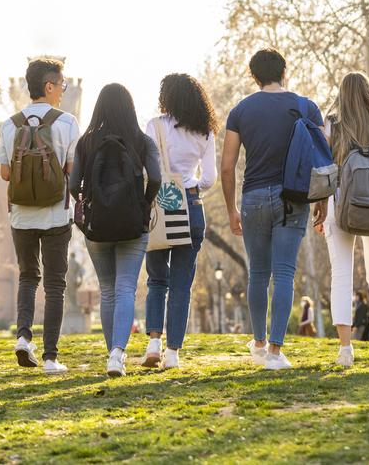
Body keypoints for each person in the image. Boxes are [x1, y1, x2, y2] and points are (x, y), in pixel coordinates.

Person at [220, 48, 326, 371]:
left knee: (258, 274)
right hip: (292, 197)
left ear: (254, 76)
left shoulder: (240, 111)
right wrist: (322, 200)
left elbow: (226, 167)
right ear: (285, 71)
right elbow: (322, 158)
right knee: (283, 273)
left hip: (252, 197)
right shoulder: (306, 107)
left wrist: (231, 209)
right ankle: (276, 353)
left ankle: (258, 342)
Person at [69, 83, 160, 377]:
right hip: (134, 224)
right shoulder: (142, 141)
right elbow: (156, 179)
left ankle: (113, 354)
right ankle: (117, 355)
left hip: (97, 227)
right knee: (125, 289)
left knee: (107, 289)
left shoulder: (86, 142)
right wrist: (143, 205)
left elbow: (72, 186)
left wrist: (86, 206)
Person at [0, 58, 80, 374]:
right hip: (56, 215)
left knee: (28, 276)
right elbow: (72, 168)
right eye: (62, 85)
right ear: (48, 86)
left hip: (21, 216)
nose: (63, 90)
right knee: (56, 284)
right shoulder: (67, 123)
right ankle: (50, 358)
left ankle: (23, 336)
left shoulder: (9, 124)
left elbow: (5, 172)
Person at [320, 71, 369, 367]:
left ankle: (345, 349)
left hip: (340, 205)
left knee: (341, 275)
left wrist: (320, 209)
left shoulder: (332, 124)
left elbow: (325, 170)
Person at [142, 73, 218, 370]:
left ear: (167, 97)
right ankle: (173, 353)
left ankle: (152, 344)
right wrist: (191, 183)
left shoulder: (155, 126)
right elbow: (209, 179)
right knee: (182, 284)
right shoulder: (206, 131)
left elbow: (148, 169)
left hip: (161, 205)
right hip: (191, 205)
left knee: (157, 279)